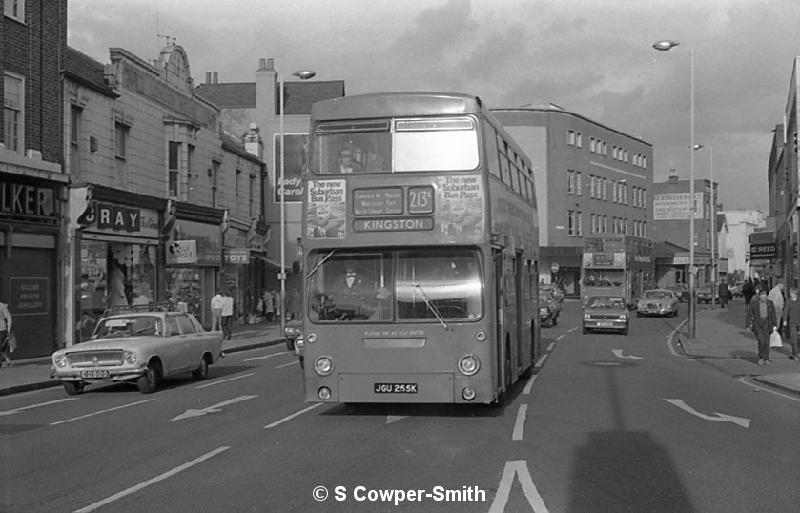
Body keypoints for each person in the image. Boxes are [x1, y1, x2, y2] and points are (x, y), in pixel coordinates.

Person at [749, 288, 777, 365]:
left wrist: (774, 325)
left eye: (765, 295)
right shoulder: (754, 303)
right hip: (758, 324)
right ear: (759, 296)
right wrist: (749, 324)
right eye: (762, 295)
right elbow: (750, 314)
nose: (764, 297)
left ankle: (767, 358)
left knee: (767, 342)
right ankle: (761, 357)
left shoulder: (770, 303)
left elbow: (773, 315)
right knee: (762, 341)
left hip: (767, 324)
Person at [782, 288, 800, 360]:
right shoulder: (788, 301)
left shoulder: (799, 301)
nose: (790, 294)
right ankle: (795, 354)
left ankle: (795, 353)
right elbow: (786, 311)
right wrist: (785, 320)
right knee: (794, 339)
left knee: (797, 339)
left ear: (795, 294)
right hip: (792, 323)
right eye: (790, 293)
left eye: (792, 293)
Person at [0, 300, 12, 367]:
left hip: (2, 329)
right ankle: (6, 359)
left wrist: (9, 328)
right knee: (1, 348)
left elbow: (8, 316)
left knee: (1, 347)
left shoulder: (1, 306)